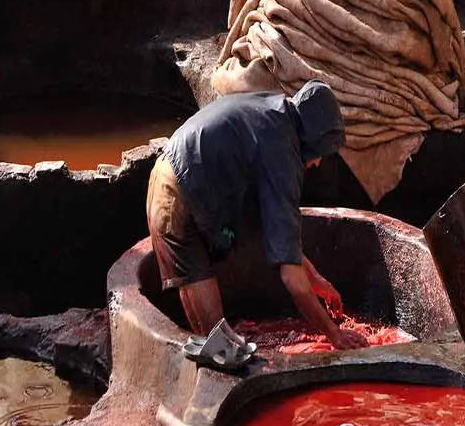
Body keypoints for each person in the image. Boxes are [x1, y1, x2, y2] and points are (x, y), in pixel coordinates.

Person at [147, 80, 368, 355]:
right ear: (313, 139)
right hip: (180, 192)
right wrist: (334, 334)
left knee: (208, 322)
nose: (318, 163)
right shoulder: (282, 154)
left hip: (169, 177)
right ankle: (218, 368)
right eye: (321, 153)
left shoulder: (273, 117)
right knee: (217, 338)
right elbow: (291, 279)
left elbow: (281, 239)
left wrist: (317, 280)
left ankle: (214, 352)